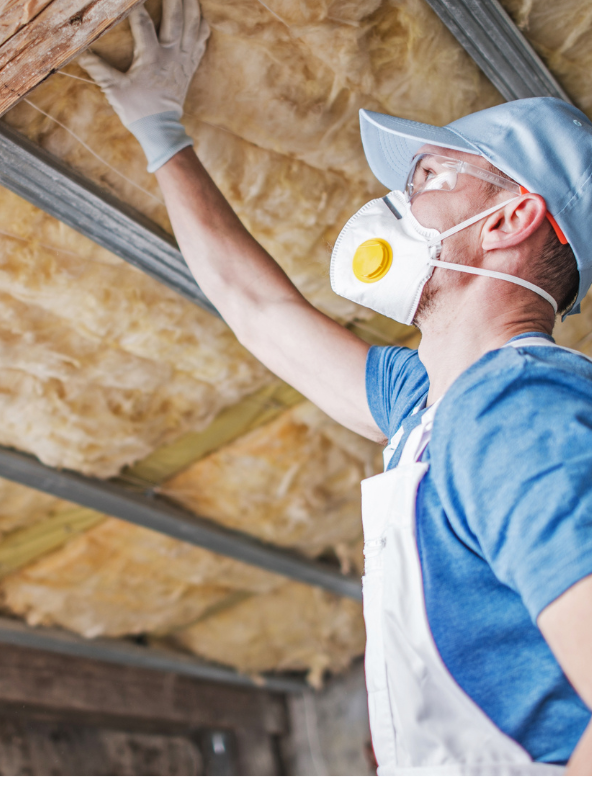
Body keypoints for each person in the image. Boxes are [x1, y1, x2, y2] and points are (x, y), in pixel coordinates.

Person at [79, 0, 592, 775]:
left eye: (429, 177)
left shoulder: (516, 410)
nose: (397, 202)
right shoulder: (430, 408)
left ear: (509, 220)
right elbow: (259, 310)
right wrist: (160, 134)